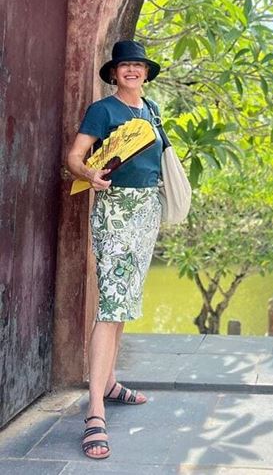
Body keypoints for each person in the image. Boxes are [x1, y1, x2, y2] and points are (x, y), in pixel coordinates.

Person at [67, 40, 164, 460]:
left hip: (146, 211)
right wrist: (89, 173)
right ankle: (95, 411)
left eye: (138, 65)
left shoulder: (152, 110)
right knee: (111, 304)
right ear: (114, 73)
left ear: (146, 73)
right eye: (125, 65)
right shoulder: (102, 111)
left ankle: (107, 382)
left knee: (124, 301)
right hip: (116, 211)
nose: (132, 71)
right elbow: (74, 157)